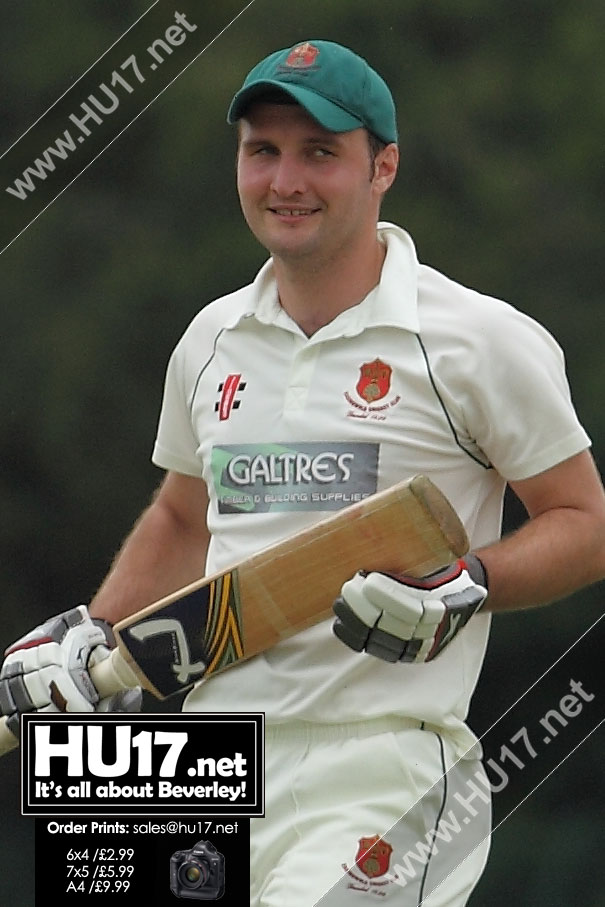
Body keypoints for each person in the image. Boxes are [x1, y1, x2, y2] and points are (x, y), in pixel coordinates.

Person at [2, 39, 605, 906]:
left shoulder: (475, 339)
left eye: (320, 152)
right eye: (263, 151)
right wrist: (91, 636)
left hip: (379, 758)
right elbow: (185, 515)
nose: (286, 180)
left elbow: (583, 524)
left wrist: (467, 584)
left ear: (381, 167)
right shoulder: (211, 340)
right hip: (201, 760)